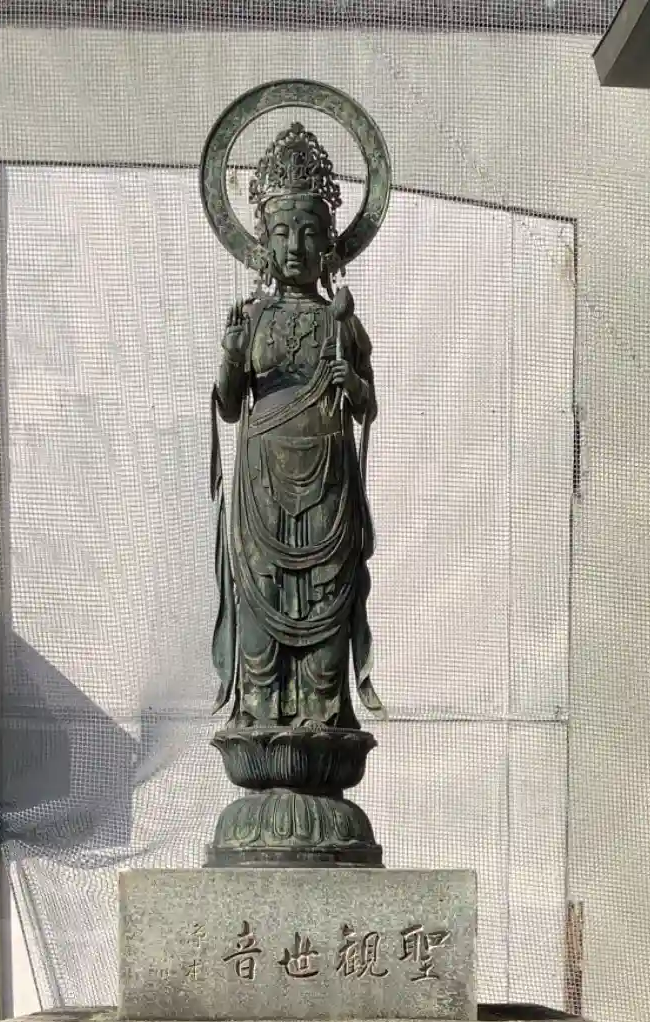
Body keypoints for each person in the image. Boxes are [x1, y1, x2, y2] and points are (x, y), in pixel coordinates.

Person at [210, 121, 382, 733]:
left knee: (327, 600)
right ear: (261, 239)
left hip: (329, 486)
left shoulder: (341, 320)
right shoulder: (252, 318)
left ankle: (321, 712)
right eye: (282, 232)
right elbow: (230, 405)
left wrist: (351, 382)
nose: (295, 247)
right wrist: (232, 356)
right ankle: (260, 711)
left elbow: (366, 406)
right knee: (262, 604)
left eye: (309, 232)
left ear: (329, 241)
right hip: (263, 488)